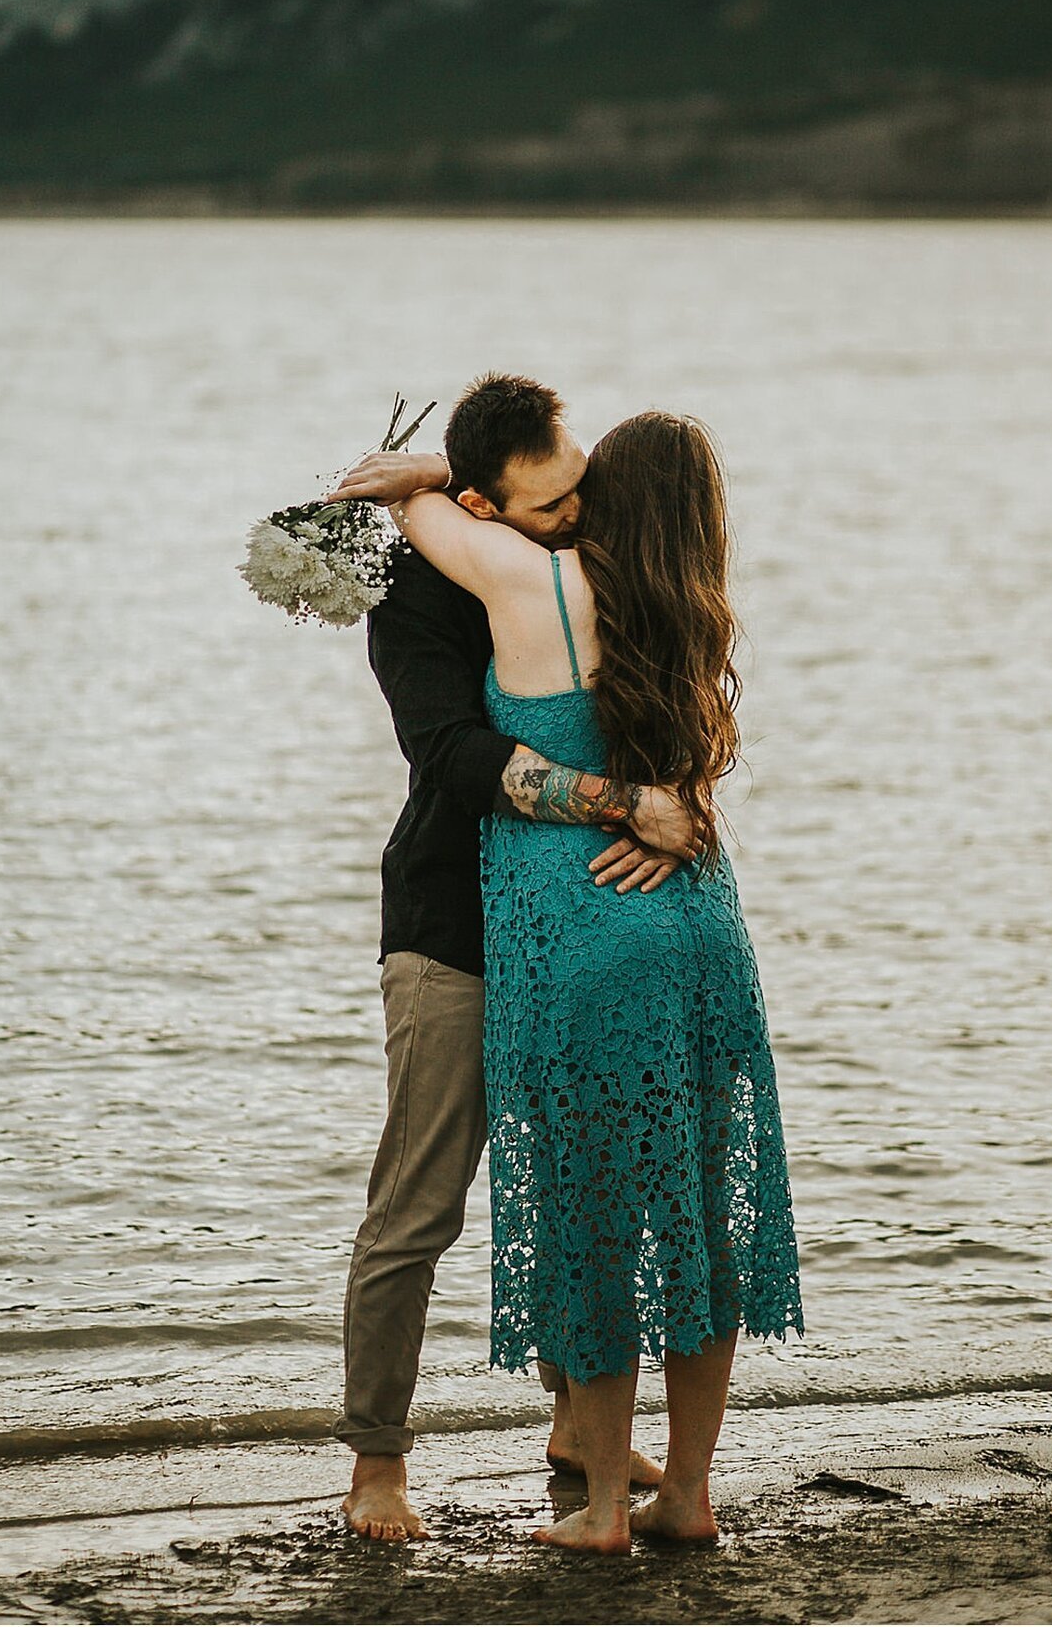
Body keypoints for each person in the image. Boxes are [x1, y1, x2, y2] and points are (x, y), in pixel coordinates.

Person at [344, 398, 804, 1553]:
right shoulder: (444, 598)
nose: (576, 517)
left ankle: (590, 1466)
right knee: (433, 1207)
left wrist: (675, 803)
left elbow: (391, 490)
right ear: (488, 498)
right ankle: (380, 1459)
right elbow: (453, 755)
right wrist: (644, 802)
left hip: (582, 932)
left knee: (592, 1209)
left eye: (587, 493)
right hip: (471, 930)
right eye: (556, 500)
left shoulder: (559, 577)